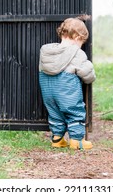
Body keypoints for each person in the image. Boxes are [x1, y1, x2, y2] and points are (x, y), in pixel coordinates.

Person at [38, 16, 96, 150]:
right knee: (74, 112)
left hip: (48, 89)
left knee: (55, 113)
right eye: (82, 41)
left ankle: (57, 139)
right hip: (66, 89)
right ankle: (76, 141)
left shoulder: (46, 51)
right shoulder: (76, 53)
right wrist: (91, 74)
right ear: (77, 37)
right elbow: (88, 75)